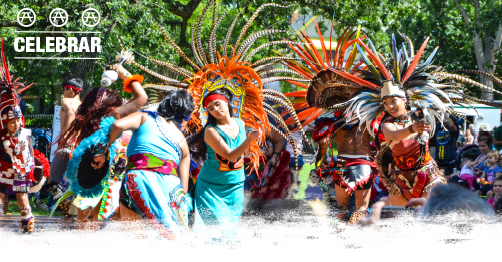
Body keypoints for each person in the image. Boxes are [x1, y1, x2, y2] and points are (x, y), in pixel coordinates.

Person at [346, 35, 452, 206]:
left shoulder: (418, 115)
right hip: (402, 181)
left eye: (393, 101)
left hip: (428, 176)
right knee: (391, 223)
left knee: (429, 219)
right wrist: (412, 129)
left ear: (404, 100)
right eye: (385, 103)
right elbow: (395, 135)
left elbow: (427, 123)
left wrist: (419, 122)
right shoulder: (387, 125)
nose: (389, 106)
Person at [54, 63, 147, 229]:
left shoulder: (94, 118)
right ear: (102, 101)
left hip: (101, 176)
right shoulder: (112, 115)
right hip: (102, 175)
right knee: (89, 223)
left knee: (87, 222)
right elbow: (141, 98)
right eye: (110, 94)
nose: (114, 94)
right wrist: (122, 72)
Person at [93, 90, 193, 238]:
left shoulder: (145, 117)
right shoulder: (183, 142)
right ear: (185, 114)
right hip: (172, 190)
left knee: (136, 239)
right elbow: (183, 189)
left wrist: (103, 152)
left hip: (140, 179)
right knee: (167, 237)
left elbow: (117, 125)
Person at [189, 88, 262, 242]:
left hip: (235, 184)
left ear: (226, 102)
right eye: (210, 108)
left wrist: (257, 136)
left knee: (231, 232)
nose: (215, 109)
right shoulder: (210, 131)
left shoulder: (240, 123)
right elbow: (230, 156)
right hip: (210, 188)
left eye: (217, 104)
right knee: (212, 234)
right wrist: (249, 140)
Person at [0, 80, 36, 233]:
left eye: (17, 121)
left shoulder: (25, 134)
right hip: (3, 170)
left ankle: (27, 224)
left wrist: (32, 166)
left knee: (22, 197)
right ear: (4, 123)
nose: (15, 125)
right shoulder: (1, 137)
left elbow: (30, 150)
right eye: (11, 122)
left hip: (21, 171)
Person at [45, 78, 83, 218]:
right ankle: (67, 207)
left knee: (52, 180)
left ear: (71, 89)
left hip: (67, 145)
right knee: (71, 179)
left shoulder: (66, 101)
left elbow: (70, 113)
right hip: (78, 146)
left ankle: (61, 205)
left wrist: (65, 135)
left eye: (64, 89)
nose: (63, 92)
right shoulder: (83, 105)